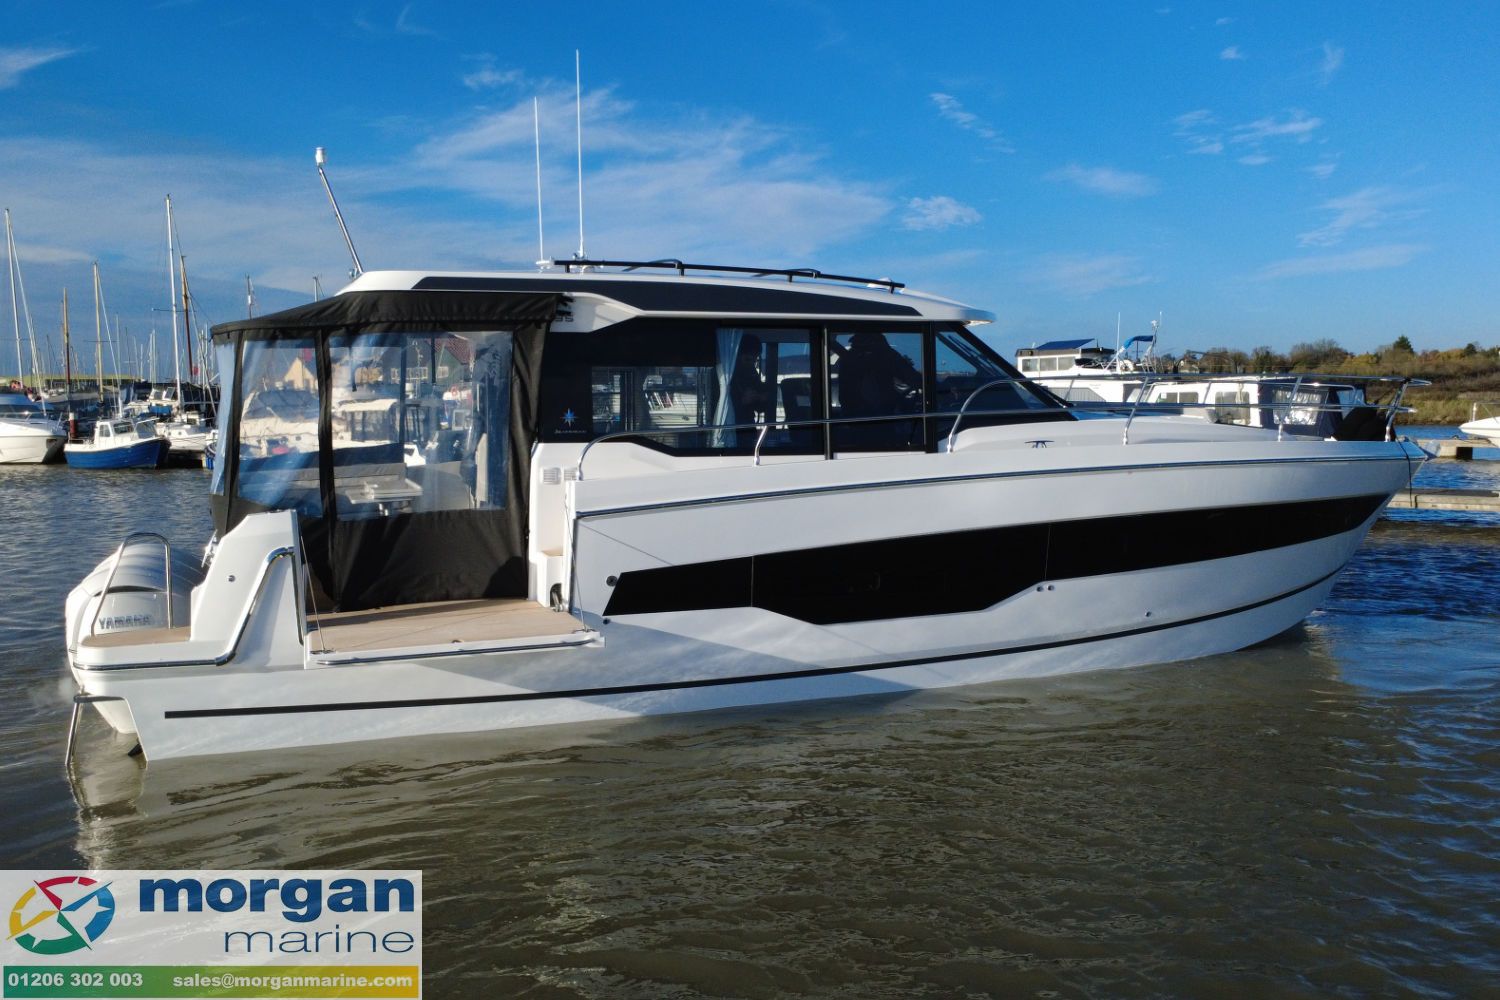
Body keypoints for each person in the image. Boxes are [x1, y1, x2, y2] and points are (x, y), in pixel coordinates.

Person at [838, 332, 921, 417]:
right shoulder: (886, 356)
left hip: (851, 415)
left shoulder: (849, 357)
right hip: (879, 416)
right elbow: (913, 378)